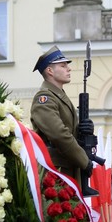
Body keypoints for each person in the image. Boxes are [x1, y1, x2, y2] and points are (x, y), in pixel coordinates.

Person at [31, 45, 93, 192]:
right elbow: (59, 134)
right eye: (63, 65)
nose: (69, 69)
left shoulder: (59, 96)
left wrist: (85, 129)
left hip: (67, 168)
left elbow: (69, 132)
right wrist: (84, 160)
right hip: (56, 171)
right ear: (50, 70)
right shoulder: (44, 98)